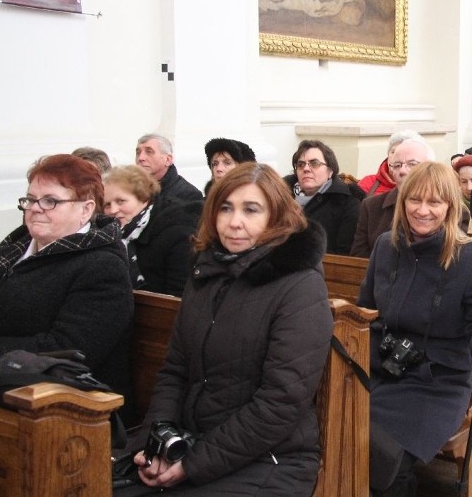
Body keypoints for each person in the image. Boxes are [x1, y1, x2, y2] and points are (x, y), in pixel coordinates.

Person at [127, 163, 333, 496]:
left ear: (276, 216)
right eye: (225, 208)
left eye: (251, 210)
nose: (235, 222)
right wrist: (158, 439)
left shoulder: (300, 286)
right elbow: (175, 371)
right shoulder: (206, 272)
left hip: (271, 459)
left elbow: (280, 402)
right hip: (192, 441)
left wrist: (194, 464)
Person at [358, 162, 472, 496]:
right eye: (414, 200)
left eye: (434, 202)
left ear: (450, 206)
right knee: (339, 437)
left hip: (437, 381)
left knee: (384, 456)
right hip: (382, 364)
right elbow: (365, 312)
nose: (422, 211)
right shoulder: (385, 246)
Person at [0, 154, 134, 415]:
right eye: (31, 199)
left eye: (50, 201)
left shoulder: (102, 266)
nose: (35, 208)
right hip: (5, 386)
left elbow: (69, 349)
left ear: (86, 210)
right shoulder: (15, 246)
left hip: (68, 408)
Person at [103, 166, 202, 296]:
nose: (113, 210)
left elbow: (179, 296)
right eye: (107, 204)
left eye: (121, 201)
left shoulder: (178, 232)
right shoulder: (111, 235)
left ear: (143, 197)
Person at [351, 138, 434, 258]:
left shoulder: (449, 207)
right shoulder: (371, 206)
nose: (402, 171)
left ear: (430, 169)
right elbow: (359, 261)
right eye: (397, 165)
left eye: (412, 164)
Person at [284, 140, 363, 255]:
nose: (306, 169)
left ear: (330, 171)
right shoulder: (282, 195)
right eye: (300, 164)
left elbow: (343, 256)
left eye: (314, 163)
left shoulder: (347, 203)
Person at [136, 134, 203, 203]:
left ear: (168, 159)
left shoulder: (188, 195)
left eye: (149, 152)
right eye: (138, 152)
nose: (141, 158)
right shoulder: (130, 189)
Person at [358, 130, 424, 197]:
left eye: (405, 153)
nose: (397, 156)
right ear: (388, 155)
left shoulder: (424, 185)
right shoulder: (369, 183)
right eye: (393, 151)